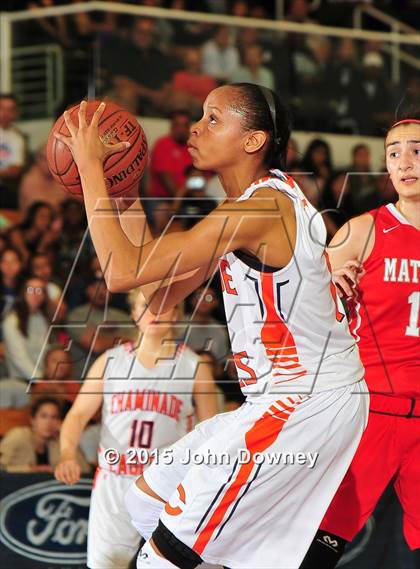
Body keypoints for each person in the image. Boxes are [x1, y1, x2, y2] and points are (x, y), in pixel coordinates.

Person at [54, 83, 368, 569]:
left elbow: (119, 272)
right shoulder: (248, 206)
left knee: (162, 558)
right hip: (279, 400)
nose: (196, 127)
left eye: (214, 119)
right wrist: (124, 190)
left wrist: (91, 167)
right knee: (144, 502)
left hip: (305, 402)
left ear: (253, 141)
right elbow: (159, 296)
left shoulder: (261, 211)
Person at [301, 113, 420, 567]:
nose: (404, 161)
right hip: (372, 410)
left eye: (416, 150)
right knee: (323, 540)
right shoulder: (362, 230)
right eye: (394, 153)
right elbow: (298, 307)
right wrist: (327, 282)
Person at [55, 289, 218, 569]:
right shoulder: (110, 361)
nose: (155, 313)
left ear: (176, 313)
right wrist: (68, 453)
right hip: (115, 479)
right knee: (107, 565)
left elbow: (210, 432)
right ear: (133, 313)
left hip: (167, 484)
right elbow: (78, 414)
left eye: (163, 306)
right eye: (146, 306)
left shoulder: (194, 365)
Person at [66, 272, 133, 379]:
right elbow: (96, 346)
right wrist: (123, 339)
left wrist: (102, 337)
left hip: (119, 376)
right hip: (84, 377)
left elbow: (136, 343)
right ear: (87, 290)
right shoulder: (77, 315)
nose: (101, 292)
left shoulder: (123, 316)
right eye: (95, 287)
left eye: (105, 288)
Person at [0, 396, 89, 473]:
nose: (49, 422)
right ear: (32, 419)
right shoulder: (18, 436)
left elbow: (84, 469)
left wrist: (64, 433)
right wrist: (31, 469)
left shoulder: (57, 441)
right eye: (43, 416)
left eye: (54, 417)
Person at [2, 275, 51, 380]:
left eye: (39, 290)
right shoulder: (11, 321)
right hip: (21, 380)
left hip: (42, 376)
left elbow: (44, 350)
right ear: (23, 293)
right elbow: (19, 358)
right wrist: (41, 380)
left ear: (44, 296)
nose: (35, 294)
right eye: (30, 289)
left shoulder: (41, 318)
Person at [18, 145, 68, 214]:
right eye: (45, 159)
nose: (49, 163)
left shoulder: (61, 176)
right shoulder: (30, 180)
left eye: (53, 159)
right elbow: (40, 210)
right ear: (37, 159)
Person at [0, 93, 26, 209]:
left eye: (10, 109)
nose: (5, 114)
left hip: (4, 191)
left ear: (15, 114)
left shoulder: (18, 138)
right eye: (2, 108)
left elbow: (15, 170)